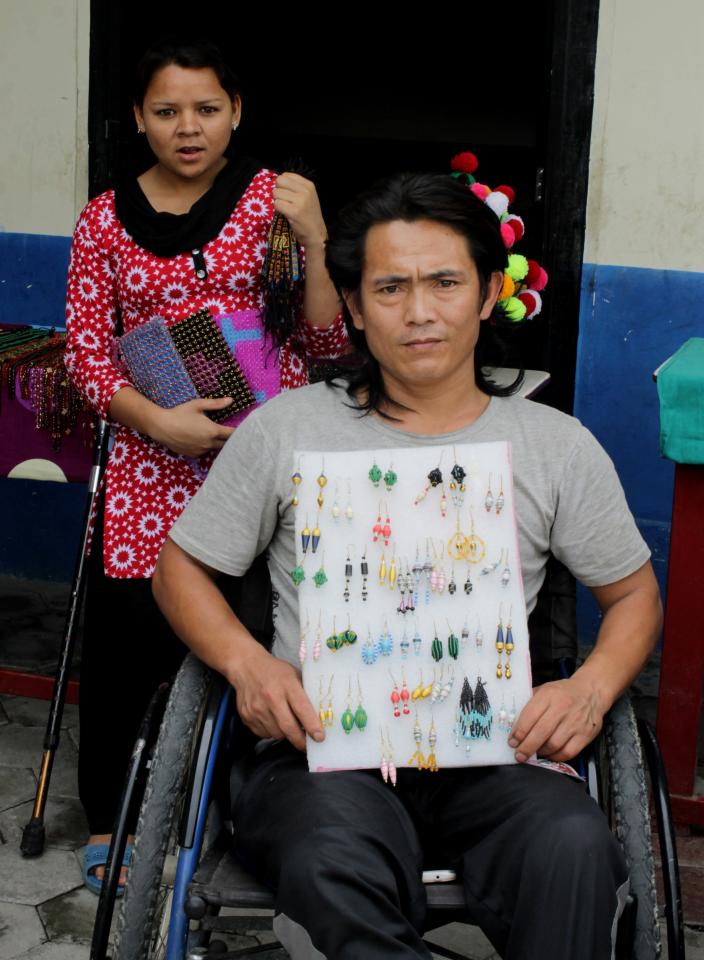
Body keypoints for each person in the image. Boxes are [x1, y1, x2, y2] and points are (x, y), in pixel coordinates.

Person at [152, 172, 662, 959]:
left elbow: (633, 596)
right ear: (353, 307)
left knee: (574, 845)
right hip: (318, 756)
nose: (419, 312)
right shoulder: (287, 430)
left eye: (445, 283)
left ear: (490, 293)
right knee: (332, 862)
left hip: (495, 750)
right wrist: (247, 667)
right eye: (389, 288)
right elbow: (179, 568)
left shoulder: (555, 446)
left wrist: (590, 690)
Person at [64, 39, 347, 894]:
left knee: (269, 629)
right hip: (154, 464)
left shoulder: (277, 202)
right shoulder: (104, 218)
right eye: (166, 111)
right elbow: (84, 352)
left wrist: (319, 236)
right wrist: (156, 422)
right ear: (140, 119)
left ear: (236, 111)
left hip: (267, 462)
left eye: (206, 109)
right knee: (131, 642)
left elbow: (327, 341)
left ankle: (249, 814)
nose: (188, 129)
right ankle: (119, 817)